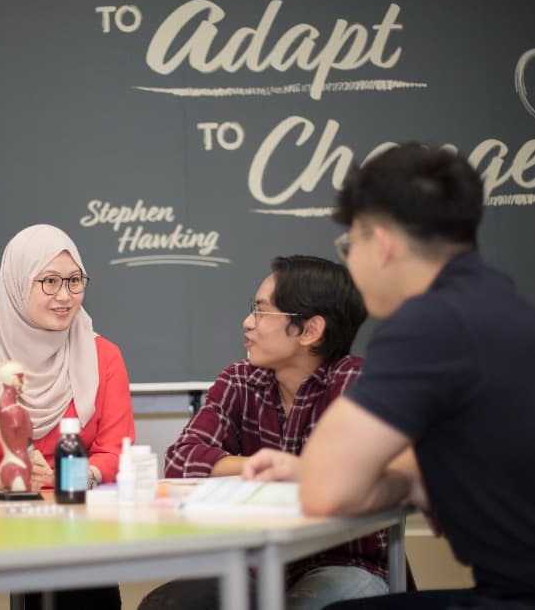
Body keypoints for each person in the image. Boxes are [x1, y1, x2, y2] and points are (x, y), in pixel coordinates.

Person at [243, 144, 535, 609]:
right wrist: (405, 476)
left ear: (382, 244)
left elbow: (324, 491)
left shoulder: (430, 323)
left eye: (350, 247)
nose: (352, 265)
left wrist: (343, 474)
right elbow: (423, 473)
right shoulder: (493, 305)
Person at [140, 255, 387, 610]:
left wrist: (242, 469)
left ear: (309, 331)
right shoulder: (240, 379)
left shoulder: (354, 381)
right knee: (166, 604)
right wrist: (264, 467)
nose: (247, 323)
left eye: (261, 311)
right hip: (257, 563)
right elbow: (181, 460)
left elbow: (353, 476)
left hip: (342, 561)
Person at [0, 223, 135, 610]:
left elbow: (115, 450)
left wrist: (73, 477)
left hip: (70, 501)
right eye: (49, 281)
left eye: (74, 281)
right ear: (17, 283)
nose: (64, 296)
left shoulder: (104, 356)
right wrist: (8, 477)